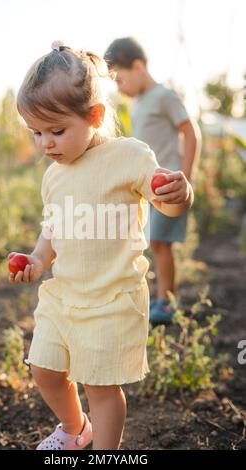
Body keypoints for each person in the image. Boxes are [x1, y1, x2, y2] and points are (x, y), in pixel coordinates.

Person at [8, 40, 194, 451]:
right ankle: (76, 431)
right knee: (44, 370)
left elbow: (168, 202)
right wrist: (37, 260)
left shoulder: (129, 156)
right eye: (36, 132)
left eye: (57, 131)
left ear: (94, 116)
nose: (45, 144)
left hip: (112, 298)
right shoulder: (54, 176)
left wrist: (179, 194)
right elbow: (52, 230)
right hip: (66, 295)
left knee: (100, 386)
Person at [104, 37, 201, 325]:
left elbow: (191, 132)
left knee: (160, 242)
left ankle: (167, 303)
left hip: (169, 185)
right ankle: (158, 297)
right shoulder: (139, 103)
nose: (119, 87)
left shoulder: (164, 96)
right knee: (152, 243)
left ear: (138, 66)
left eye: (120, 79)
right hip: (149, 186)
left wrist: (185, 176)